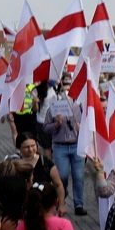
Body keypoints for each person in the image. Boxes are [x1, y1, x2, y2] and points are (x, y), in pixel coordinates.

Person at [39, 81, 86, 214]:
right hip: (60, 147)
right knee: (63, 175)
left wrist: (81, 128)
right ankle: (62, 197)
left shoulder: (80, 107)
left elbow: (88, 125)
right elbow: (45, 128)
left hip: (76, 145)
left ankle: (78, 204)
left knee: (78, 176)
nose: (67, 93)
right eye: (64, 89)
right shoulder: (53, 108)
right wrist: (56, 124)